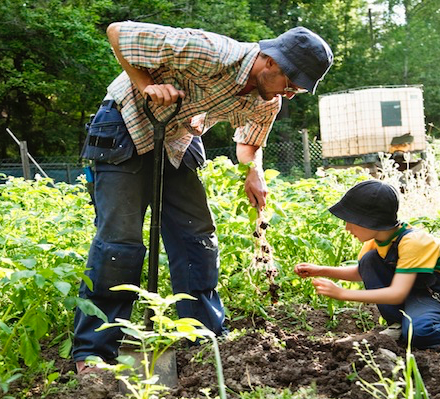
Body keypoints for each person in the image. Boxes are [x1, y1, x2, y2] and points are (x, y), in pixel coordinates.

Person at [73, 21, 333, 374]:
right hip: (127, 123)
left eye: (297, 91)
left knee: (197, 238)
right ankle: (94, 352)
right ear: (270, 61)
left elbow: (249, 143)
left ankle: (204, 335)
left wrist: (253, 171)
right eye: (290, 83)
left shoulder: (266, 100)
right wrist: (147, 85)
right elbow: (118, 32)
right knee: (120, 243)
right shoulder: (210, 50)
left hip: (176, 137)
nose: (288, 94)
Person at [294, 180, 440, 358]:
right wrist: (320, 270)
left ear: (371, 221)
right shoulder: (375, 241)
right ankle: (401, 326)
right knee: (368, 262)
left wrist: (343, 293)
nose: (347, 227)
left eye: (350, 220)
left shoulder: (413, 240)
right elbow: (362, 272)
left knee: (420, 333)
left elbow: (396, 294)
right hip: (418, 294)